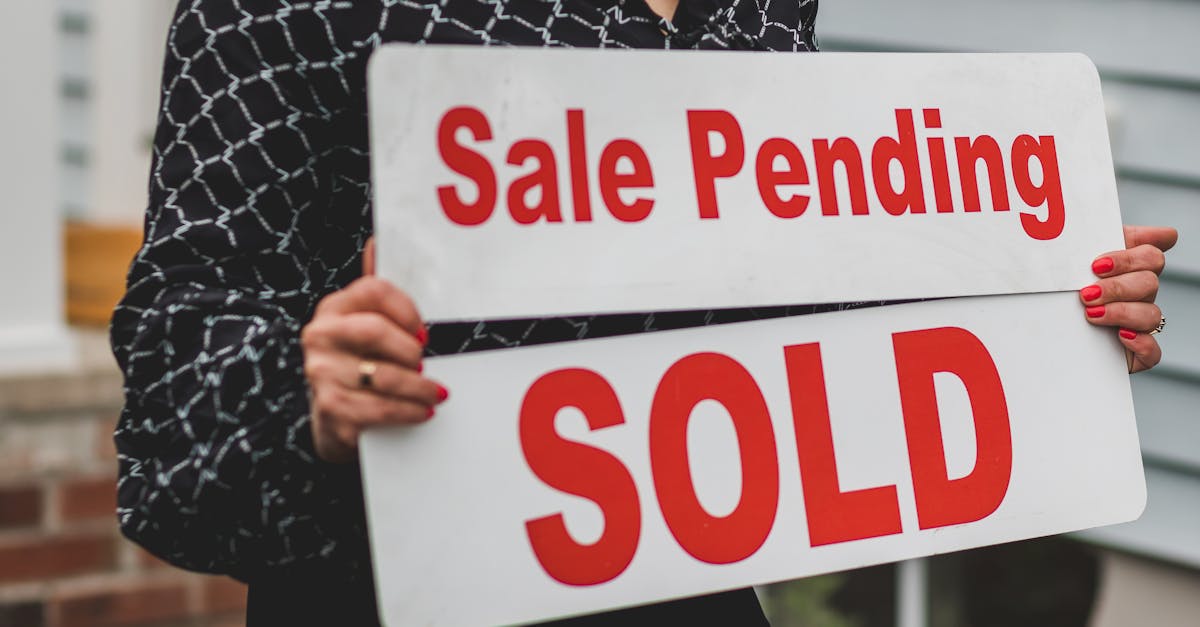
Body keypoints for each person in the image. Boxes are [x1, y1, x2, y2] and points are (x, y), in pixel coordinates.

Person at [110, 1, 1176, 625]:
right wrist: (310, 390)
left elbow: (770, 254)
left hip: (689, 592)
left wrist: (1039, 307)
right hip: (401, 595)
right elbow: (174, 399)